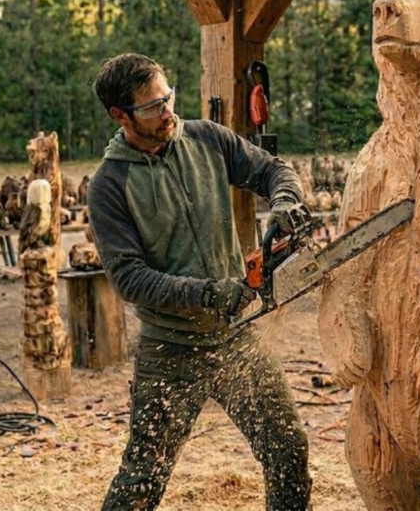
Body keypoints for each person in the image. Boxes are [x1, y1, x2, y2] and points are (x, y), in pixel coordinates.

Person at [87, 53, 313, 511]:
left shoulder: (207, 139)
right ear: (120, 116)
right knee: (142, 478)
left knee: (287, 449)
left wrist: (285, 202)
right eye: (151, 107)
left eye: (167, 97)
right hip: (172, 346)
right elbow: (130, 278)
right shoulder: (110, 183)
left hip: (236, 337)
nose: (167, 111)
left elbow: (273, 169)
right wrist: (208, 294)